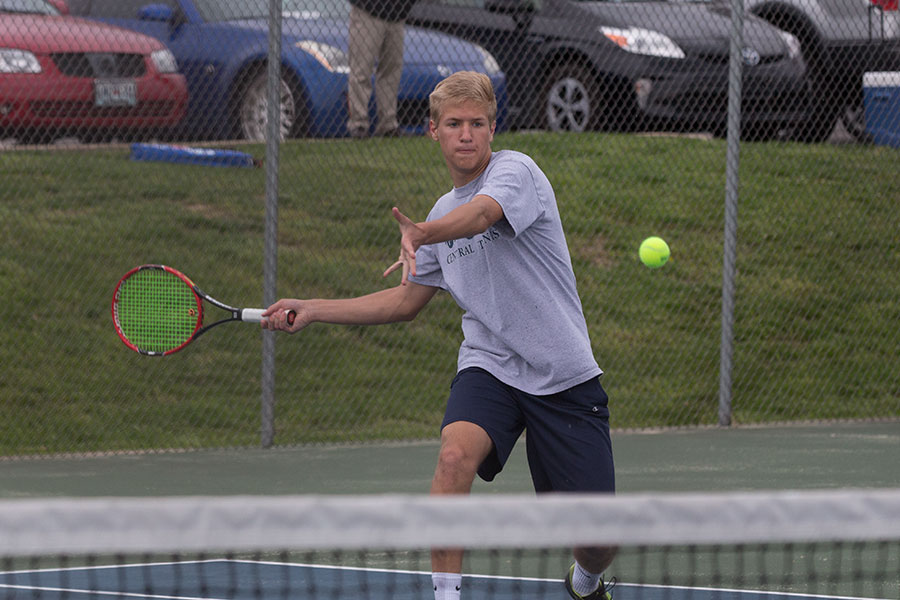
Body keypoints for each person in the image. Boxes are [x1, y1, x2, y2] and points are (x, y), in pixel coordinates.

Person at [263, 70, 616, 600]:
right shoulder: (437, 215)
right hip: (491, 365)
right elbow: (405, 300)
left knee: (596, 540)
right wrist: (312, 308)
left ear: (493, 129)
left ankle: (586, 581)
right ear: (433, 131)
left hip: (560, 372)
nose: (466, 134)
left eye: (477, 123)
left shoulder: (516, 173)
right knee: (452, 458)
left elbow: (481, 216)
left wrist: (423, 233)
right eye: (454, 124)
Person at [346, 0, 417, 138]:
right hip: (367, 11)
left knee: (391, 70)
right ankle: (358, 125)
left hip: (396, 14)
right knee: (361, 69)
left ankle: (388, 125)